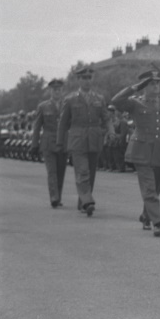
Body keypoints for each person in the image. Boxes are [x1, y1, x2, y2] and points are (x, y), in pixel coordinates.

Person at [112, 70, 160, 237]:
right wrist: (134, 88)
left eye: (157, 83)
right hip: (141, 152)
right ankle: (158, 222)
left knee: (156, 188)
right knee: (149, 188)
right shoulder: (135, 103)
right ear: (144, 87)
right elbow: (116, 101)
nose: (155, 86)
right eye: (151, 83)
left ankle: (146, 216)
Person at [57, 66, 114, 217]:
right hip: (77, 139)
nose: (87, 81)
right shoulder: (70, 99)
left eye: (89, 78)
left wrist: (111, 131)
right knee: (82, 171)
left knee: (91, 172)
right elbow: (63, 123)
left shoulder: (99, 99)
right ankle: (88, 201)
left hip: (94, 139)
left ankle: (83, 202)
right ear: (79, 80)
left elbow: (106, 118)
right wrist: (59, 142)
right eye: (84, 78)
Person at [31, 78, 67, 208]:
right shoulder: (43, 106)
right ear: (50, 91)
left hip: (63, 142)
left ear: (62, 91)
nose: (57, 92)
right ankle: (54, 197)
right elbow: (37, 127)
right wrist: (34, 144)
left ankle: (58, 197)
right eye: (54, 90)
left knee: (61, 172)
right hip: (48, 143)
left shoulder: (67, 105)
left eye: (59, 89)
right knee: (52, 172)